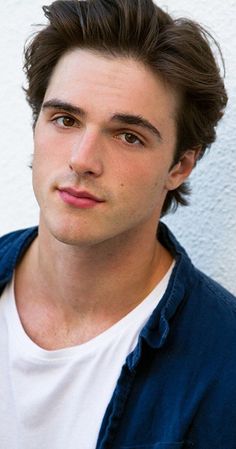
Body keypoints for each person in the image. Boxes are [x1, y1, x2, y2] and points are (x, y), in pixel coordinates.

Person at [0, 0, 235, 447]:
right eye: (65, 120)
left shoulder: (226, 363)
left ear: (180, 166)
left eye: (128, 135)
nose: (82, 160)